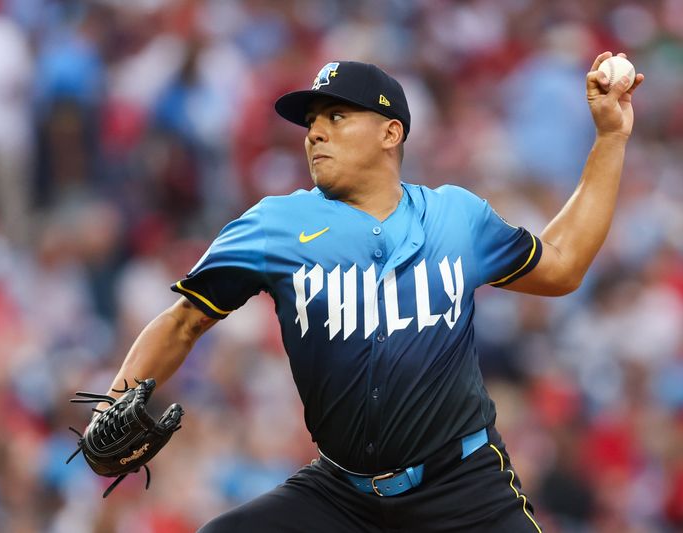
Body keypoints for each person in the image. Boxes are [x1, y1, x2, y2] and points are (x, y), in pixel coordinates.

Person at [100, 54, 643, 531]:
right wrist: (113, 402)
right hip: (343, 496)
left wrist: (611, 138)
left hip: (464, 488)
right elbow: (182, 320)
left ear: (391, 133)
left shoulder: (456, 217)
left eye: (336, 117)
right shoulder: (275, 224)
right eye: (311, 121)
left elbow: (564, 266)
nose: (315, 132)